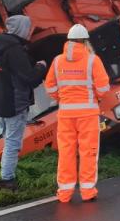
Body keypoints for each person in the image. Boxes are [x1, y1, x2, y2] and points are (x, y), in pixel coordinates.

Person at [44, 24, 111, 203]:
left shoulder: (57, 61)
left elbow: (50, 86)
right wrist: (94, 97)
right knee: (88, 152)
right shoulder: (92, 60)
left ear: (69, 41)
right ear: (85, 41)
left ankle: (64, 193)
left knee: (66, 152)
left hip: (65, 115)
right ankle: (88, 192)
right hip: (88, 114)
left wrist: (61, 98)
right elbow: (104, 87)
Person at [0, 14, 48, 191]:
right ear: (21, 28)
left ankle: (7, 172)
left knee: (9, 142)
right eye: (28, 28)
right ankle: (7, 181)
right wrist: (41, 66)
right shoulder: (14, 49)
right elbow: (29, 78)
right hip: (15, 104)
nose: (30, 32)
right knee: (13, 144)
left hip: (0, 102)